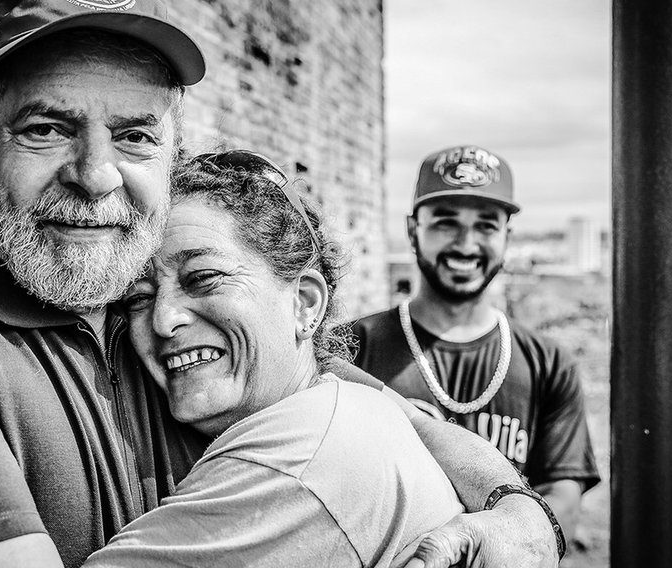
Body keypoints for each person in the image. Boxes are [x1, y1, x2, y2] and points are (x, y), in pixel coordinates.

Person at [0, 0, 561, 567]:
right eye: (46, 128)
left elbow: (391, 412)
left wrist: (520, 513)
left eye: (135, 136)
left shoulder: (148, 306)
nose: (96, 175)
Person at [81, 151, 464, 566]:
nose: (163, 320)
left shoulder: (293, 463)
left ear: (304, 304)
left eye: (204, 277)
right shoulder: (349, 410)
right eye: (139, 297)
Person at [350, 144, 602, 543]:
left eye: (486, 225)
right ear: (413, 230)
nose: (466, 245)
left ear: (507, 237)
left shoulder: (550, 363)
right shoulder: (351, 350)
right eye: (446, 222)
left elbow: (563, 508)